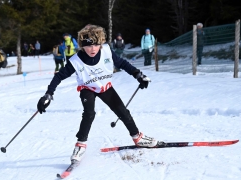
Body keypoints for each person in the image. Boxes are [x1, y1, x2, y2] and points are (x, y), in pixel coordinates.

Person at [37, 24, 158, 163]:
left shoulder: (106, 51)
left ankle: (138, 137)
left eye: (96, 45)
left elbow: (123, 63)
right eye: (88, 46)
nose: (92, 49)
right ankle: (80, 145)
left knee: (123, 111)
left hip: (105, 87)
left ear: (100, 43)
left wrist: (138, 75)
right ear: (82, 46)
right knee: (89, 113)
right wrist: (48, 94)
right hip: (87, 89)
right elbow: (59, 76)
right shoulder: (76, 60)